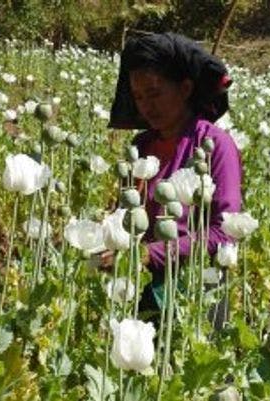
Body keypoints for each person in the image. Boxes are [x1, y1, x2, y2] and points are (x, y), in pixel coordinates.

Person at [102, 31, 242, 319]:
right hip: (141, 288)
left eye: (154, 93)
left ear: (185, 88)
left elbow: (224, 232)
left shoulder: (215, 145)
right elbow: (127, 215)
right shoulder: (140, 146)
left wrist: (150, 254)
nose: (146, 106)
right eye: (139, 96)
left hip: (198, 295)